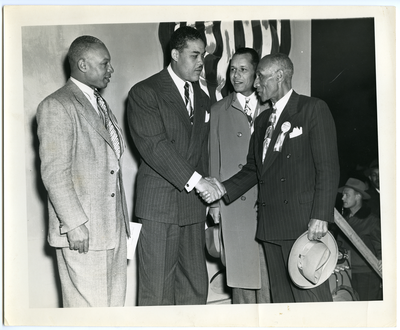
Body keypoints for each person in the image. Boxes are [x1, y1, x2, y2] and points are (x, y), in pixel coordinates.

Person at [201, 52, 340, 303]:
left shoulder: (312, 109)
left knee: (311, 300)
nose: (256, 84)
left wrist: (321, 215)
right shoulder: (264, 119)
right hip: (271, 226)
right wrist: (220, 190)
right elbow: (254, 169)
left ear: (280, 76)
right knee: (283, 303)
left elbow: (328, 168)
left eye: (261, 78)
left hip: (302, 225)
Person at [127, 26, 224, 306]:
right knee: (156, 293)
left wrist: (212, 200)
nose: (201, 63)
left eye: (203, 56)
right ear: (174, 54)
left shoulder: (204, 98)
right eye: (194, 55)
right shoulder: (145, 92)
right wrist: (198, 182)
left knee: (194, 289)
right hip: (159, 209)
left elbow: (202, 152)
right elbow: (155, 147)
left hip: (193, 210)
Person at [37, 35, 130, 307]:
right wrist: (75, 225)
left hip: (111, 229)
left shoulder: (98, 102)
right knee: (87, 316)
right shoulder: (57, 105)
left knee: (112, 313)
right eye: (105, 63)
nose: (111, 70)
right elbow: (55, 173)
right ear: (82, 64)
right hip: (82, 232)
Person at [209, 47, 270, 304]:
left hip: (269, 203)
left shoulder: (272, 106)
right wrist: (214, 204)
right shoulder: (219, 110)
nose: (236, 75)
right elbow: (214, 158)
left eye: (243, 69)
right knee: (242, 280)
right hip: (234, 204)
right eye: (232, 69)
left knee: (270, 279)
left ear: (256, 72)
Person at [338, 178, 382, 300]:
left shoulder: (372, 221)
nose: (343, 198)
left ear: (358, 196)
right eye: (342, 195)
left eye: (347, 195)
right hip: (346, 272)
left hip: (366, 275)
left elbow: (382, 248)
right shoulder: (342, 220)